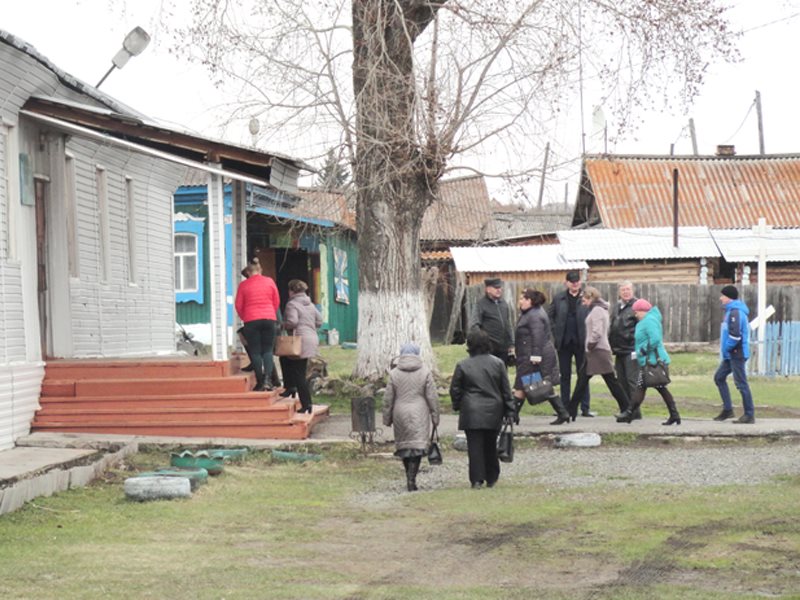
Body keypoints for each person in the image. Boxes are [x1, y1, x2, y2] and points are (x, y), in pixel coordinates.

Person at [450, 329, 516, 489]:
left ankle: (477, 478)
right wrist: (510, 410)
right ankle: (492, 476)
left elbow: (455, 389)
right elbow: (505, 389)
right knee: (490, 443)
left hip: (471, 410)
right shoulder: (498, 364)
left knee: (474, 446)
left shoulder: (463, 365)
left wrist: (458, 404)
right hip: (494, 409)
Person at [382, 343, 440, 492]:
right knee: (417, 446)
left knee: (404, 446)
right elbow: (432, 396)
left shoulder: (394, 373)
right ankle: (411, 478)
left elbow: (388, 398)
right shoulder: (425, 372)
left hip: (400, 411)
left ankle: (409, 475)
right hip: (419, 411)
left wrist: (387, 418)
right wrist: (435, 416)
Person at [566, 287, 630, 420]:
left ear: (591, 297)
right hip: (596, 351)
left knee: (610, 382)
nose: (583, 301)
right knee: (583, 381)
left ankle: (628, 409)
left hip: (597, 351)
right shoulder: (599, 309)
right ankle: (570, 411)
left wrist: (590, 345)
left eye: (584, 298)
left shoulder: (597, 311)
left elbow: (597, 332)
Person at [616, 299, 681, 425]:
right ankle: (630, 413)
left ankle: (629, 413)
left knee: (658, 387)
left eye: (637, 312)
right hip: (648, 361)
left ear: (643, 311)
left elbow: (655, 339)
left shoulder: (649, 321)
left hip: (653, 362)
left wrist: (644, 350)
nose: (635, 314)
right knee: (643, 387)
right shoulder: (646, 320)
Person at [513, 288, 570, 425]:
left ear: (530, 301)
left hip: (534, 356)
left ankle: (512, 415)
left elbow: (537, 336)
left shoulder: (534, 315)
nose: (520, 301)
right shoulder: (531, 313)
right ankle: (563, 413)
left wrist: (536, 356)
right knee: (534, 385)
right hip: (530, 355)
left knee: (526, 385)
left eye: (522, 299)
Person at [547, 271, 593, 416]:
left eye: (577, 281)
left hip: (581, 342)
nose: (575, 284)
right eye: (572, 281)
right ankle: (565, 407)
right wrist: (555, 332)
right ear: (566, 283)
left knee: (584, 375)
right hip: (564, 343)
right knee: (564, 376)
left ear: (580, 282)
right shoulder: (559, 297)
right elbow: (550, 316)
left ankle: (585, 408)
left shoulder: (586, 297)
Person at [234, 262, 280, 391]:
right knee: (268, 350)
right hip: (269, 318)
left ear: (248, 272)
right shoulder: (269, 281)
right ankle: (268, 380)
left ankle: (260, 382)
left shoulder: (243, 285)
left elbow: (238, 305)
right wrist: (270, 313)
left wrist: (245, 317)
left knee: (255, 351)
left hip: (251, 319)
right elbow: (276, 301)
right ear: (260, 270)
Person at [280, 279, 323, 413]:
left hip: (299, 340)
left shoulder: (292, 304)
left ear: (291, 291)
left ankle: (306, 404)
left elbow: (292, 322)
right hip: (312, 339)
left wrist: (283, 325)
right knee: (286, 360)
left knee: (299, 374)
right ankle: (291, 388)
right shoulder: (310, 304)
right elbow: (319, 321)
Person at [713, 285, 755, 423]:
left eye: (723, 296)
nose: (721, 298)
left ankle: (749, 414)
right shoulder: (731, 312)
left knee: (741, 383)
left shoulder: (735, 313)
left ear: (729, 297)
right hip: (731, 354)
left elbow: (735, 336)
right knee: (719, 377)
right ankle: (728, 410)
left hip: (736, 353)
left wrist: (727, 348)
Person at [608, 281, 641, 420]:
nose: (625, 292)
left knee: (632, 381)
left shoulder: (636, 306)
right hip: (618, 350)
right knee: (621, 382)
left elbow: (641, 328)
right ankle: (626, 410)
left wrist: (637, 347)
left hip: (631, 349)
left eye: (628, 289)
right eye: (623, 290)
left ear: (632, 291)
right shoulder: (616, 306)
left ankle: (634, 412)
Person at [469, 277, 514, 365]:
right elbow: (474, 325)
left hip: (503, 348)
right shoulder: (481, 305)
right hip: (489, 348)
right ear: (488, 289)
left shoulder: (504, 304)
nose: (499, 290)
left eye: (500, 288)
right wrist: (483, 341)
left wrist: (512, 343)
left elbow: (508, 324)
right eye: (496, 288)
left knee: (502, 374)